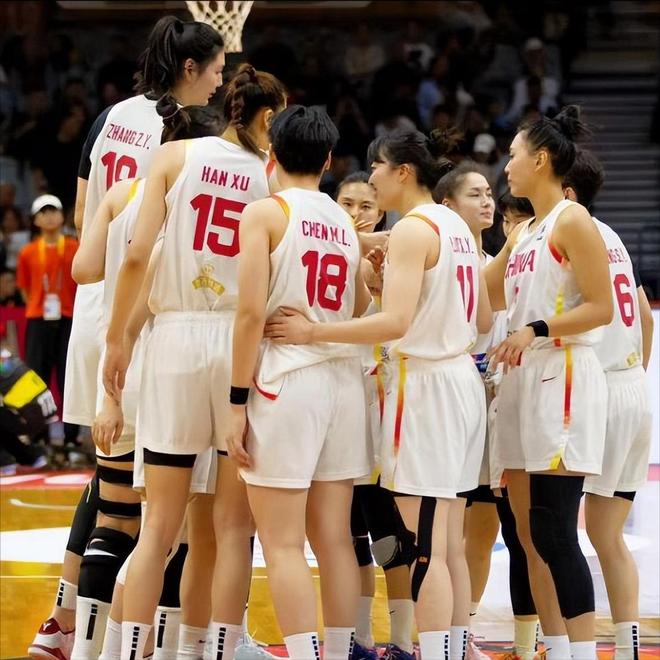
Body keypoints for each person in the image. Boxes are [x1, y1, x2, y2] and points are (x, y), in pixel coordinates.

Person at [29, 16, 225, 660]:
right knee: (164, 505)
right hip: (144, 319)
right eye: (216, 70)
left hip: (94, 312)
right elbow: (159, 244)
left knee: (107, 481)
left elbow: (84, 223)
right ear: (190, 70)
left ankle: (65, 621)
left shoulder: (110, 117)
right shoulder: (192, 145)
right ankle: (156, 641)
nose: (220, 81)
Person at [263, 127, 492, 660]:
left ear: (402, 172)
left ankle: (435, 653)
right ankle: (454, 650)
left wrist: (312, 331)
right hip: (460, 380)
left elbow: (393, 323)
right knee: (447, 544)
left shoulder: (413, 229)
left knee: (424, 549)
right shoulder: (457, 227)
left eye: (378, 169)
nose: (372, 179)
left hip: (426, 388)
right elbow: (482, 318)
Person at [102, 64, 286, 660]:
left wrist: (117, 339)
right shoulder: (273, 176)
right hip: (239, 342)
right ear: (266, 116)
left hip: (176, 339)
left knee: (158, 526)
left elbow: (137, 256)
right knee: (229, 529)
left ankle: (129, 652)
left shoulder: (174, 156)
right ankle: (207, 651)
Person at [225, 104, 370, 660]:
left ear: (272, 154)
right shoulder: (343, 221)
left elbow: (248, 315)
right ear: (329, 160)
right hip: (342, 382)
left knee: (282, 544)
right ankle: (337, 652)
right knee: (334, 540)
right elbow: (360, 305)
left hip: (287, 379)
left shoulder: (265, 213)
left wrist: (235, 401)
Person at [484, 106, 613, 660]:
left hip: (560, 374)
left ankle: (581, 653)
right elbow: (482, 294)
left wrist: (535, 328)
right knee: (527, 536)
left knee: (555, 530)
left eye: (513, 155)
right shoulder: (525, 232)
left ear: (539, 160)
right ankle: (555, 648)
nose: (506, 165)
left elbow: (602, 307)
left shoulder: (571, 220)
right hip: (518, 379)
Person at [435, 162, 539, 660]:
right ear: (447, 205)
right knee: (439, 533)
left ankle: (465, 632)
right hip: (445, 403)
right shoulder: (435, 258)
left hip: (492, 410)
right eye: (474, 194)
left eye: (488, 194)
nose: (487, 203)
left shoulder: (502, 264)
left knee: (484, 531)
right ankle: (429, 632)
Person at [562, 148, 654, 660]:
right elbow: (645, 314)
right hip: (634, 386)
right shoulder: (612, 235)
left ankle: (562, 644)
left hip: (598, 391)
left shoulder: (570, 236)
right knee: (606, 533)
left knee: (554, 531)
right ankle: (626, 647)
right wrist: (635, 373)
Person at [335, 172, 415, 660]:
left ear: (381, 211)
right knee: (347, 536)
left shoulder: (397, 256)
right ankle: (359, 639)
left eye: (366, 206)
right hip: (338, 405)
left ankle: (402, 641)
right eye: (347, 203)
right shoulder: (323, 250)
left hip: (384, 407)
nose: (356, 213)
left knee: (390, 538)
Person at [16, 194, 79, 449]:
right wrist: (39, 303)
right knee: (36, 379)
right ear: (35, 220)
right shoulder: (28, 253)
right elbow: (24, 288)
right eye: (44, 212)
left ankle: (72, 439)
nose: (50, 216)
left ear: (62, 216)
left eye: (54, 211)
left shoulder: (74, 247)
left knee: (69, 377)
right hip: (38, 320)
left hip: (68, 319)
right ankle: (38, 437)